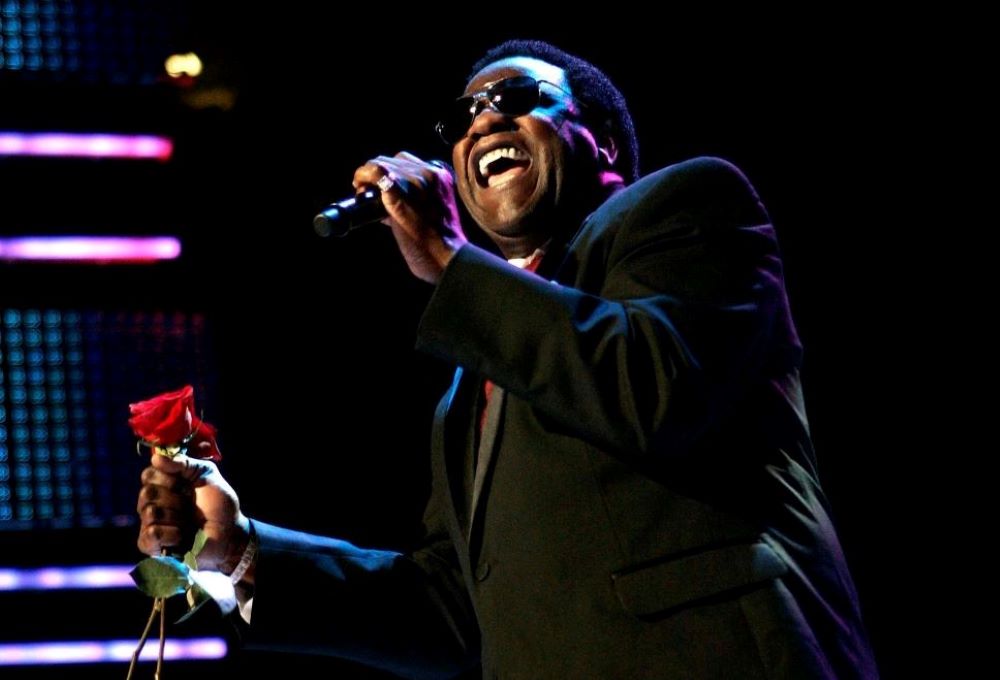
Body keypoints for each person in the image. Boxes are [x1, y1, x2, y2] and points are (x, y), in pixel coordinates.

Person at [136, 40, 878, 679]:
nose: (483, 118)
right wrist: (239, 550)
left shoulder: (692, 205)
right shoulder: (474, 383)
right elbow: (451, 610)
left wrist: (448, 261)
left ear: (604, 144)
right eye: (460, 117)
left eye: (516, 96)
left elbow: (657, 390)